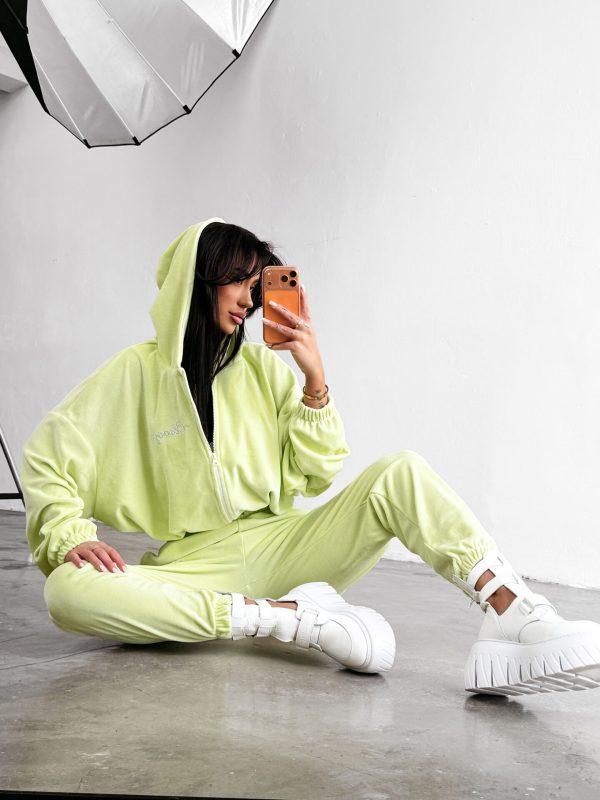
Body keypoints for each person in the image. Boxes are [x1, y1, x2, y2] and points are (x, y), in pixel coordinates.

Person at [21, 217, 600, 697]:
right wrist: (68, 534)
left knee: (398, 472)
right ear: (198, 279)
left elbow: (316, 474)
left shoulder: (263, 371)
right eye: (238, 282)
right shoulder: (133, 373)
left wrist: (313, 379)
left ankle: (514, 615)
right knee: (67, 590)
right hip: (195, 568)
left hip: (284, 545)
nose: (249, 301)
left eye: (257, 287)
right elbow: (50, 453)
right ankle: (285, 617)